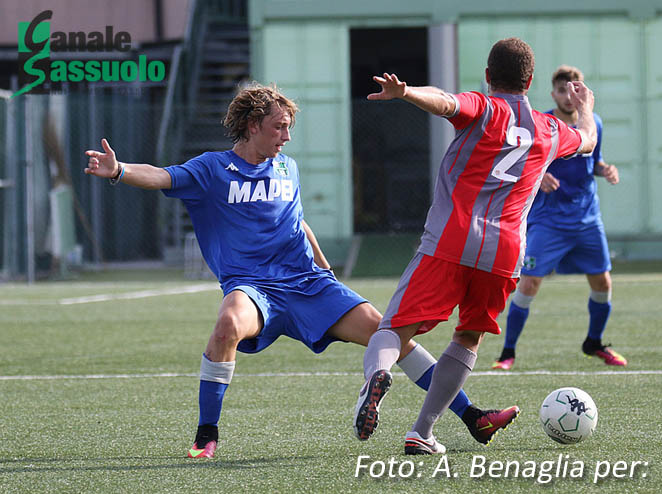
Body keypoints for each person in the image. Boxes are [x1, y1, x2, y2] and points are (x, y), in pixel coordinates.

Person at [84, 82, 507, 459]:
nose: (286, 137)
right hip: (253, 288)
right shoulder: (211, 169)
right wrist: (119, 170)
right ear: (252, 125)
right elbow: (161, 177)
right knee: (228, 323)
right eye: (279, 127)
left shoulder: (288, 167)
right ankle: (206, 435)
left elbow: (296, 222)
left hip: (308, 284)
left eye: (289, 128)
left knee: (389, 331)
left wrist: (326, 270)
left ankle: (471, 415)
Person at [354, 38, 599, 455]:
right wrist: (585, 107)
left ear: (488, 77)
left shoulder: (484, 107)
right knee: (467, 337)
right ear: (531, 80)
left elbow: (445, 102)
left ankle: (377, 375)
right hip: (504, 252)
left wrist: (406, 92)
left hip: (449, 241)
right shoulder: (550, 128)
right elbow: (588, 139)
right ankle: (422, 432)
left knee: (394, 329)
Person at [491, 65, 626, 371]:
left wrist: (605, 169)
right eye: (563, 90)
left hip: (587, 218)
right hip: (548, 220)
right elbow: (521, 165)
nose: (569, 96)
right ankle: (507, 353)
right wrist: (538, 178)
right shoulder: (544, 125)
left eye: (575, 90)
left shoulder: (595, 124)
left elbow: (594, 160)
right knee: (528, 285)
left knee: (602, 281)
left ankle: (594, 342)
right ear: (553, 94)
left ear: (585, 93)